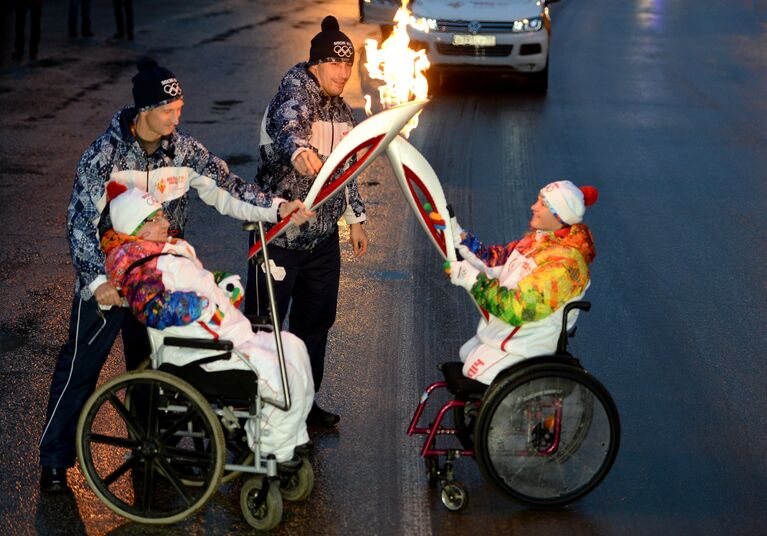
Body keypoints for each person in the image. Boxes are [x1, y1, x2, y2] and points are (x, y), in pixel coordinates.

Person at [39, 56, 312, 492]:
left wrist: (277, 208)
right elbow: (79, 223)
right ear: (144, 111)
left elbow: (229, 188)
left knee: (157, 372)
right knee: (80, 369)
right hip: (112, 279)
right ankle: (54, 460)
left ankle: (153, 453)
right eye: (168, 111)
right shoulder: (104, 155)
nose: (175, 117)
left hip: (161, 279)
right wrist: (97, 284)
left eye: (179, 109)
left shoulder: (184, 151)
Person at [103, 185, 313, 463]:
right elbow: (151, 308)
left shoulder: (171, 252)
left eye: (163, 215)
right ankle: (272, 452)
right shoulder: (143, 267)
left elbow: (196, 285)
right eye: (157, 219)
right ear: (139, 230)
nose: (167, 222)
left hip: (230, 337)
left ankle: (291, 439)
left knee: (294, 347)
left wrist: (221, 286)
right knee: (276, 376)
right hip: (201, 354)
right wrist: (201, 305)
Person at [244, 15, 368, 427]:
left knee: (315, 325)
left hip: (322, 241)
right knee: (266, 329)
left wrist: (358, 220)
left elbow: (346, 169)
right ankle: (260, 409)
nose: (343, 72)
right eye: (335, 64)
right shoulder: (293, 93)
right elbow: (288, 129)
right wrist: (299, 153)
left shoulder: (343, 112)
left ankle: (304, 405)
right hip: (278, 237)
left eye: (348, 65)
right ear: (316, 63)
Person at [448, 180, 599, 385]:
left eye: (543, 204)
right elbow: (496, 260)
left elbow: (518, 309)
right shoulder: (539, 240)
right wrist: (458, 236)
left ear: (560, 215)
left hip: (526, 345)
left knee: (473, 371)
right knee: (466, 354)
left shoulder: (565, 265)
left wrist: (472, 280)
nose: (533, 207)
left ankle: (506, 416)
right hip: (505, 335)